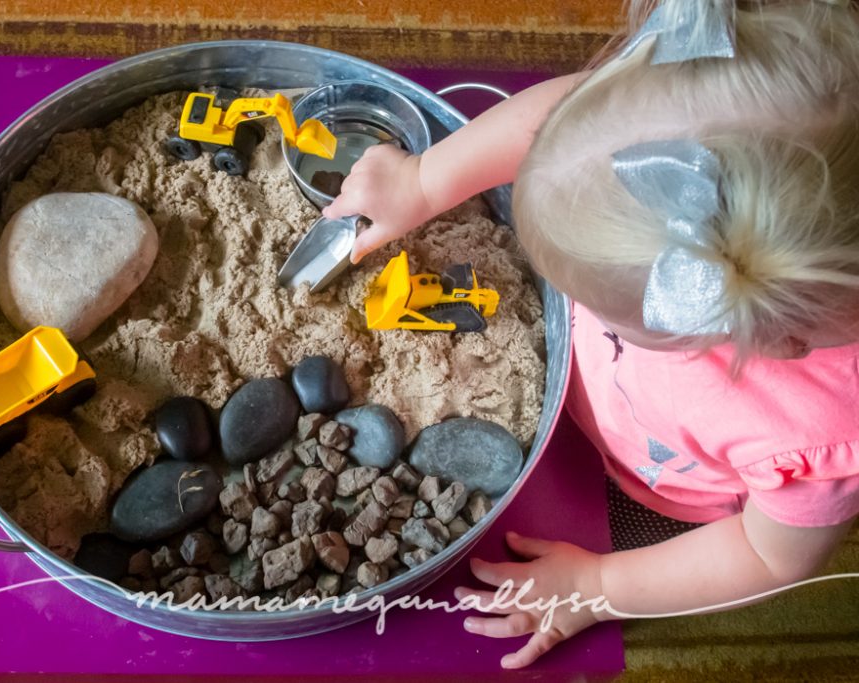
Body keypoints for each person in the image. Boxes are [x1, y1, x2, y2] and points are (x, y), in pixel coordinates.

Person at [323, 0, 859, 669]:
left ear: (761, 337)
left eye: (605, 315)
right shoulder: (670, 118)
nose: (575, 309)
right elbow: (555, 124)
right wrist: (424, 181)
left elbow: (767, 553)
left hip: (664, 489)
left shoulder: (818, 433)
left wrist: (598, 586)